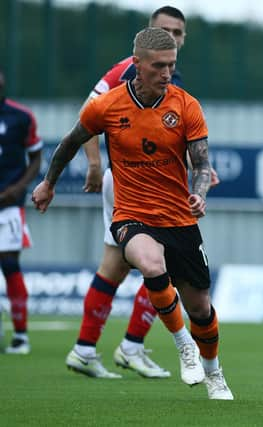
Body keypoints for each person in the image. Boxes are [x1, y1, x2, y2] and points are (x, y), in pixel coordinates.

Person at [32, 27, 233, 400]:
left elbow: (203, 164)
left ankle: (213, 371)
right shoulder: (107, 106)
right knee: (150, 263)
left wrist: (199, 193)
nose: (167, 73)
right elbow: (70, 142)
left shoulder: (186, 105)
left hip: (179, 219)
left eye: (171, 65)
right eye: (158, 66)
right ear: (137, 65)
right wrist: (48, 183)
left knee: (201, 308)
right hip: (132, 214)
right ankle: (182, 345)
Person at [65, 6, 189, 379]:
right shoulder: (128, 70)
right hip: (130, 184)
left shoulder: (168, 75)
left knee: (115, 268)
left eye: (177, 33)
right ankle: (131, 346)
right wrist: (92, 162)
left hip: (142, 184)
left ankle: (85, 349)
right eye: (164, 30)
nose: (171, 37)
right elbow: (89, 111)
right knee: (170, 265)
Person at [0, 67, 43, 355]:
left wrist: (20, 187)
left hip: (8, 205)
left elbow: (37, 156)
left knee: (9, 264)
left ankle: (21, 336)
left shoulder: (21, 116)